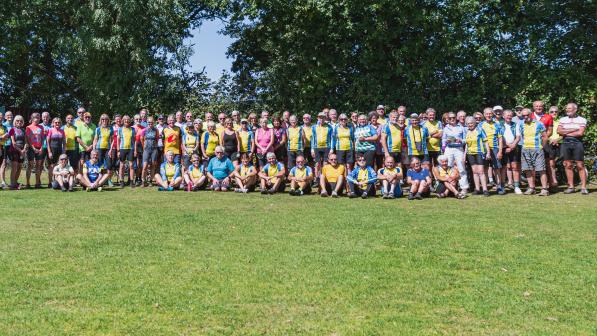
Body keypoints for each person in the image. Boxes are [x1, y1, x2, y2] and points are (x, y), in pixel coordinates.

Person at [557, 103, 588, 194]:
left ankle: (583, 187)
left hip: (577, 142)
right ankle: (571, 187)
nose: (567, 110)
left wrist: (565, 132)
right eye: (566, 108)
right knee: (568, 165)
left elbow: (580, 133)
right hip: (565, 143)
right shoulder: (563, 119)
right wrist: (573, 130)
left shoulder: (582, 119)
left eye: (569, 108)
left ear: (575, 109)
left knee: (580, 165)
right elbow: (558, 131)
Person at [518, 108, 549, 196]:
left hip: (537, 149)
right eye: (523, 115)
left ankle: (544, 189)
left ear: (531, 114)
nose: (525, 117)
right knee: (527, 169)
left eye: (527, 115)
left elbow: (545, 137)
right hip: (525, 149)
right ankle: (531, 188)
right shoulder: (521, 124)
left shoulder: (539, 124)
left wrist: (541, 147)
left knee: (541, 169)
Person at [441, 112, 469, 195]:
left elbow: (465, 140)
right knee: (448, 168)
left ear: (456, 118)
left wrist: (460, 140)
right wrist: (444, 144)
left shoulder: (461, 128)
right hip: (449, 149)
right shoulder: (445, 128)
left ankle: (464, 188)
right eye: (449, 118)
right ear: (447, 119)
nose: (452, 119)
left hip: (458, 149)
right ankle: (450, 188)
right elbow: (443, 139)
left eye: (453, 117)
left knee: (461, 168)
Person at [479, 107, 505, 194]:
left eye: (490, 113)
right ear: (484, 114)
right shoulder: (480, 124)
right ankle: (486, 188)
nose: (488, 115)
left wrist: (500, 151)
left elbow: (500, 139)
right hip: (484, 149)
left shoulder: (497, 124)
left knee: (496, 169)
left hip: (495, 148)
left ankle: (499, 187)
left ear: (493, 114)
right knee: (485, 169)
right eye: (487, 114)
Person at [464, 116, 491, 196]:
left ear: (475, 123)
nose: (470, 125)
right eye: (468, 124)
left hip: (480, 153)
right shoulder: (467, 132)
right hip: (470, 153)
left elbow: (486, 142)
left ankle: (485, 189)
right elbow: (466, 144)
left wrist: (488, 152)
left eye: (471, 123)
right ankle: (477, 189)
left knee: (481, 172)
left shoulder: (480, 130)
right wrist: (464, 155)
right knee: (474, 172)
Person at [502, 110, 522, 194]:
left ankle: (516, 186)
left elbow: (518, 137)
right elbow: (499, 137)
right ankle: (502, 186)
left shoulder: (515, 124)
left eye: (510, 115)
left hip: (513, 148)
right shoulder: (499, 125)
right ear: (503, 116)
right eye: (507, 115)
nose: (509, 117)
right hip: (503, 148)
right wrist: (507, 145)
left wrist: (512, 146)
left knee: (515, 167)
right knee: (503, 168)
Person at [25, 112, 46, 188]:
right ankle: (28, 183)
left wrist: (41, 148)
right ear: (32, 118)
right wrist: (33, 148)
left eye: (38, 117)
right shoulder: (28, 127)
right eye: (35, 117)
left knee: (38, 166)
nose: (37, 119)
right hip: (31, 148)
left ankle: (37, 183)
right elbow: (27, 139)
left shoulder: (41, 127)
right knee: (30, 165)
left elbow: (43, 138)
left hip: (39, 148)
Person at [311, 112, 333, 181]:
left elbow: (332, 138)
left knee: (325, 163)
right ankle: (317, 179)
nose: (321, 119)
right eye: (320, 117)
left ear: (325, 118)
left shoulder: (329, 127)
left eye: (323, 117)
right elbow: (313, 138)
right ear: (318, 118)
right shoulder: (314, 127)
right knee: (317, 164)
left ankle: (324, 177)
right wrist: (312, 149)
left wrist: (332, 148)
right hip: (317, 147)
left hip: (327, 147)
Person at [139, 116, 160, 187]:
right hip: (146, 149)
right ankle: (143, 181)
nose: (150, 124)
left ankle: (150, 181)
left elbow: (157, 139)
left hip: (154, 149)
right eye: (149, 122)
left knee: (153, 165)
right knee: (145, 166)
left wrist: (155, 146)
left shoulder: (156, 130)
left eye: (151, 122)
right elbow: (141, 139)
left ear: (153, 123)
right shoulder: (144, 130)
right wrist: (143, 146)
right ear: (147, 123)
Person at [93, 114, 114, 182]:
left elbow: (112, 140)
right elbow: (95, 139)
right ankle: (100, 180)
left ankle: (109, 180)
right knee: (100, 165)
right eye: (102, 119)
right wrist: (94, 149)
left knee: (109, 165)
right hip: (99, 148)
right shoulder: (98, 129)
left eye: (106, 119)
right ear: (101, 120)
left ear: (108, 120)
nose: (104, 120)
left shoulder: (111, 128)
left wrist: (111, 149)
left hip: (108, 148)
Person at [8, 115, 27, 189]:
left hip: (22, 150)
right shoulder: (12, 129)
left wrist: (24, 150)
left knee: (19, 167)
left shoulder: (23, 130)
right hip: (14, 150)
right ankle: (12, 184)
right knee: (14, 167)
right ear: (15, 121)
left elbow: (26, 141)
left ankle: (15, 182)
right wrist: (20, 151)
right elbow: (13, 142)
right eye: (17, 121)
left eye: (21, 121)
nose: (19, 122)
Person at [46, 117, 66, 186]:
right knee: (51, 166)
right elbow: (47, 142)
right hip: (52, 150)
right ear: (53, 123)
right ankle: (50, 182)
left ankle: (57, 182)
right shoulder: (50, 130)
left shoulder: (62, 131)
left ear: (60, 123)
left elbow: (64, 142)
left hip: (60, 151)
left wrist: (63, 152)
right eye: (56, 122)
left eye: (59, 122)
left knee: (59, 166)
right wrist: (49, 152)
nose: (57, 123)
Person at [117, 115, 136, 188]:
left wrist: (135, 150)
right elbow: (118, 140)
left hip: (131, 149)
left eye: (128, 120)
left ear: (129, 121)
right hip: (122, 149)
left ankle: (131, 181)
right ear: (123, 121)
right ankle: (121, 181)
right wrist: (118, 150)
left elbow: (134, 141)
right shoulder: (120, 129)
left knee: (131, 165)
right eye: (125, 120)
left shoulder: (133, 129)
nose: (127, 121)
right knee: (122, 165)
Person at [547, 106, 561, 187]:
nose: (554, 113)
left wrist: (557, 140)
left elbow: (564, 133)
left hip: (560, 143)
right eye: (552, 112)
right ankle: (553, 180)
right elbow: (543, 133)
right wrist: (551, 140)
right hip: (550, 143)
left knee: (563, 162)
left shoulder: (561, 121)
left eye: (556, 111)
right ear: (549, 112)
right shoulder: (546, 120)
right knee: (551, 163)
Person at [0, 110, 13, 188]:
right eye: (8, 115)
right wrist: (2, 137)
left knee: (4, 164)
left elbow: (9, 136)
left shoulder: (11, 126)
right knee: (3, 164)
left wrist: (7, 136)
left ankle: (10, 182)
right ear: (5, 117)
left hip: (8, 147)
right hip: (4, 146)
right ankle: (3, 181)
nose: (9, 117)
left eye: (11, 115)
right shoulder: (4, 124)